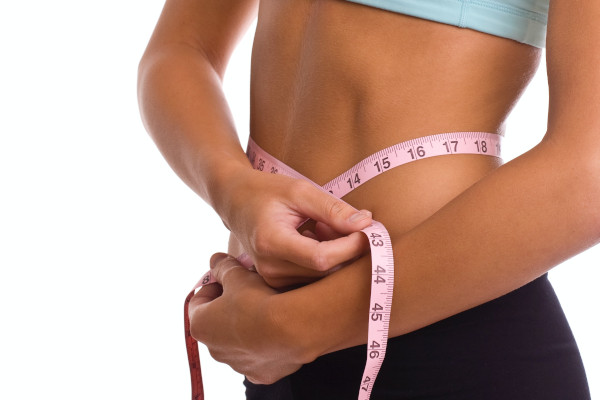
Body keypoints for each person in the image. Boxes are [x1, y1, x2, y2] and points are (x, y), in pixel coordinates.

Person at [137, 0, 598, 398]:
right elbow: (181, 46)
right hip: (268, 347)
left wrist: (295, 326)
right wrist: (232, 187)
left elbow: (589, 173)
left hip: (455, 343)